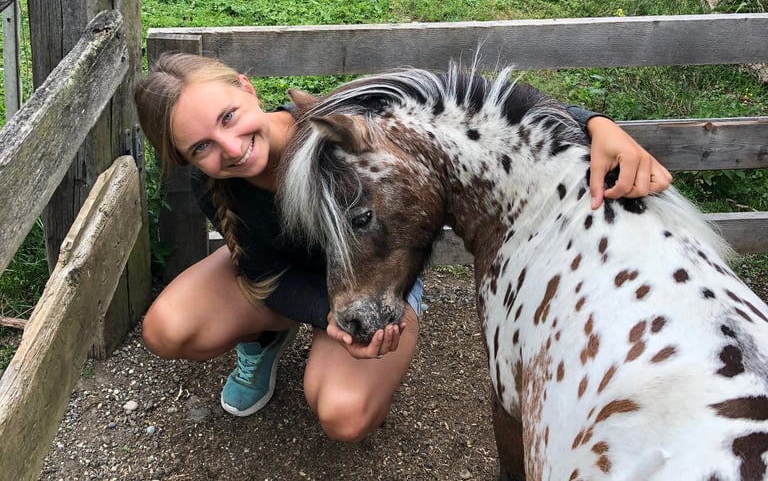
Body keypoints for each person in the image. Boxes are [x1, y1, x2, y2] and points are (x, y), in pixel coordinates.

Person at [134, 53, 672, 443]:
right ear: (185, 158)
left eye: (228, 117)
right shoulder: (215, 186)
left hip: (375, 277)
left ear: (247, 88)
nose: (229, 147)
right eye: (201, 146)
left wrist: (592, 122)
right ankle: (265, 341)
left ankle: (381, 323)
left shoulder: (341, 127)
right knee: (166, 328)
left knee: (342, 414)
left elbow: (470, 106)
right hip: (303, 287)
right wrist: (332, 317)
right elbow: (265, 274)